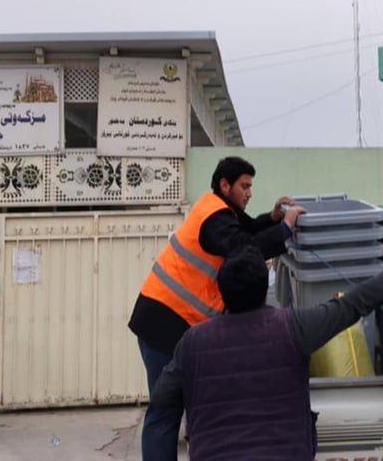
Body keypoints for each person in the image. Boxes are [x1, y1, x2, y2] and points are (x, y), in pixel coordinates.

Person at [151, 240, 383, 461]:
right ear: (265, 288)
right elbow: (352, 305)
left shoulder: (193, 342)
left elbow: (162, 405)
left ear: (221, 291)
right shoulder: (292, 327)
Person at [128, 156, 306, 460]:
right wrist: (285, 231)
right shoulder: (213, 218)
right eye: (244, 186)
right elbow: (245, 248)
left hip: (175, 321)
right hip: (163, 320)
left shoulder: (222, 211)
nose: (249, 192)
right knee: (165, 408)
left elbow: (248, 230)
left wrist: (274, 218)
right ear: (225, 185)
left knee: (178, 405)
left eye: (251, 186)